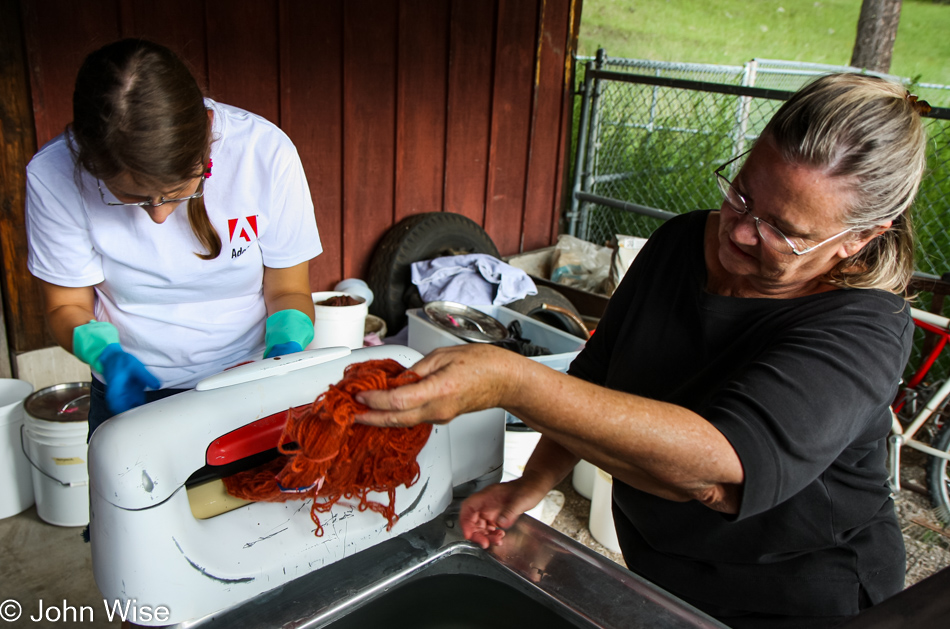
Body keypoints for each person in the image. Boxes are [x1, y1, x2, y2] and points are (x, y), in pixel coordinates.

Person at [356, 73, 929, 628]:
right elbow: (596, 381)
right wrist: (529, 486)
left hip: (793, 598)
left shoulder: (866, 327)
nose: (741, 231)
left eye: (782, 230)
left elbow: (716, 468)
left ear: (859, 238)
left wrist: (513, 382)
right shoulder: (681, 243)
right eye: (742, 194)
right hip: (662, 574)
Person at [25, 39, 322, 437]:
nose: (159, 215)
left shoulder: (265, 154)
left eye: (177, 192)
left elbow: (288, 289)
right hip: (130, 390)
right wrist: (106, 356)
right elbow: (66, 303)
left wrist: (284, 352)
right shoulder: (53, 175)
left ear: (207, 138)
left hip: (251, 381)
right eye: (131, 198)